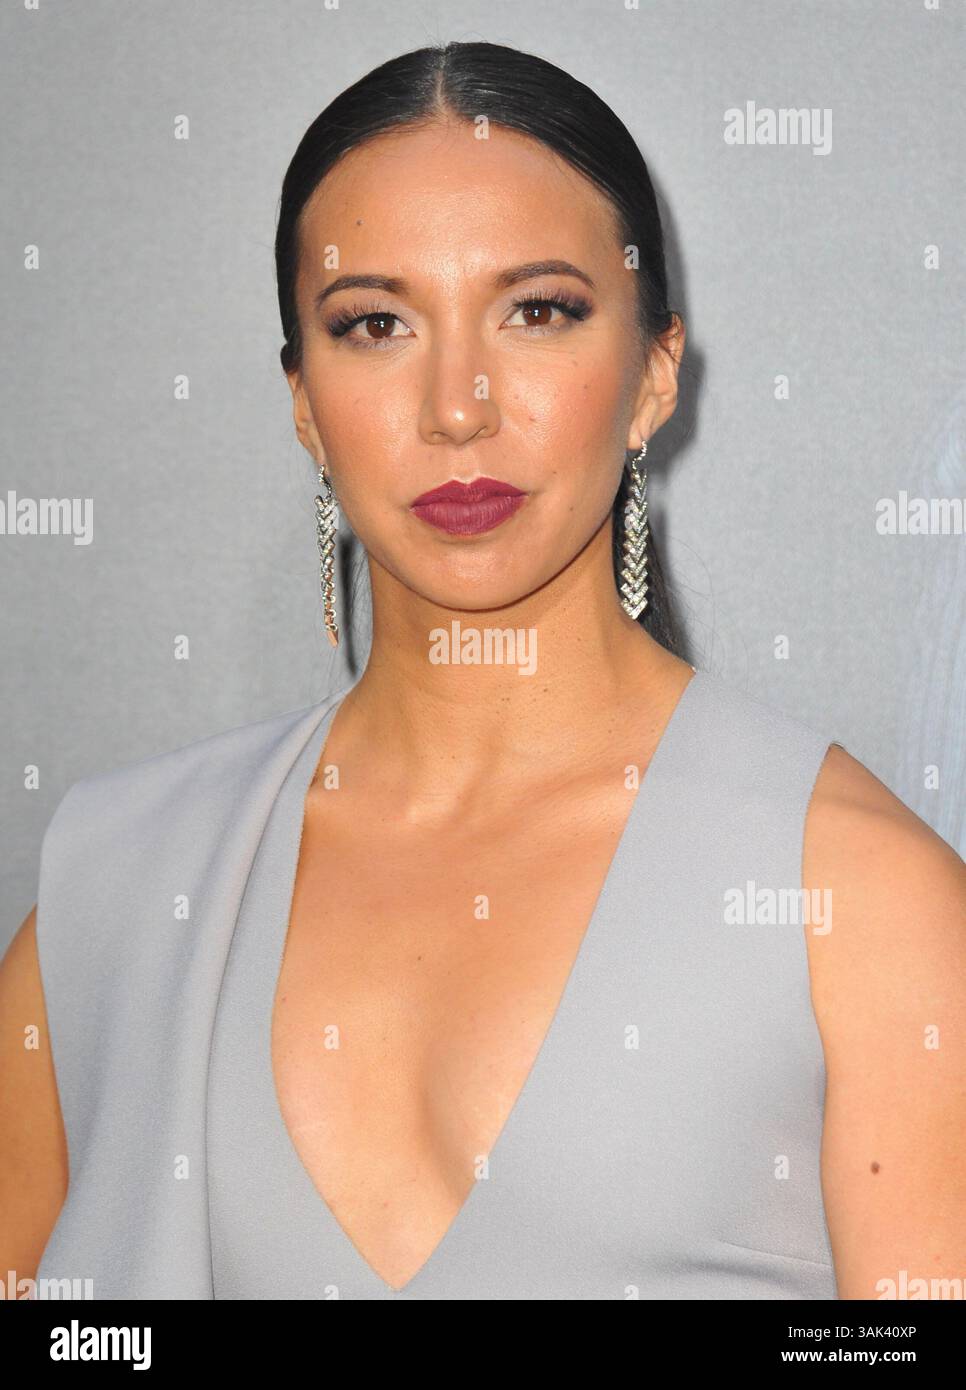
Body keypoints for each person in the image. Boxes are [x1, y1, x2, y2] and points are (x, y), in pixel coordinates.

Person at [3, 41, 964, 1301]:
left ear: (655, 373)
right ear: (304, 403)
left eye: (538, 310)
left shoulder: (865, 901)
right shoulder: (117, 897)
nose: (457, 406)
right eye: (376, 324)